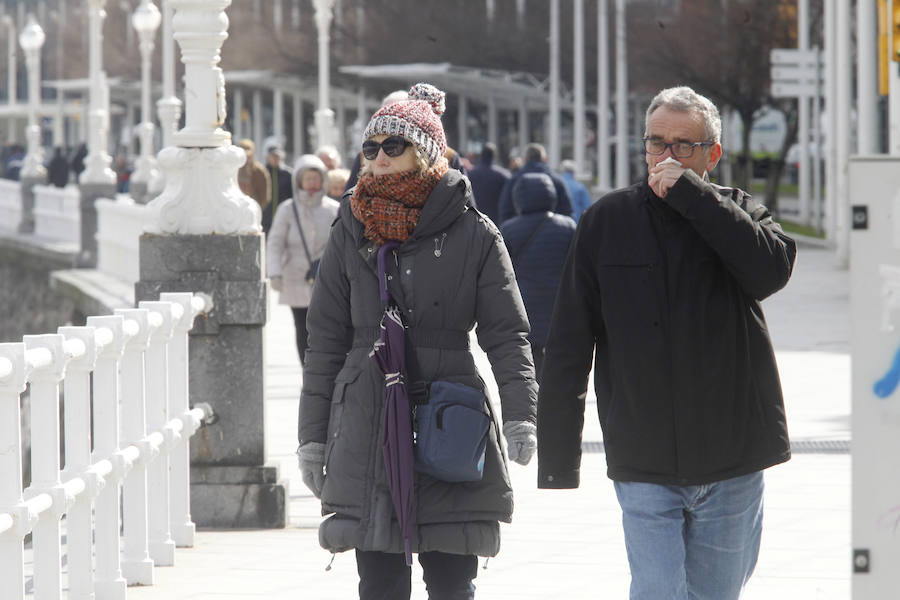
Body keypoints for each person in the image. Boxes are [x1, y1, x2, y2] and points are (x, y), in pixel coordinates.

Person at [536, 86, 797, 600]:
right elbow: (567, 342)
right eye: (657, 143)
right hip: (644, 455)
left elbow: (769, 270)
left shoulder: (741, 215)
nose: (666, 156)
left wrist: (693, 197)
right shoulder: (607, 221)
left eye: (682, 145)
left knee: (716, 594)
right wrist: (559, 457)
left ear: (712, 155)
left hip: (733, 458)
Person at [297, 83, 537, 600]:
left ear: (425, 150)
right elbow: (325, 342)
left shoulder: (475, 232)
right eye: (370, 148)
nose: (379, 159)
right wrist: (313, 436)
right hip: (367, 415)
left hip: (450, 412)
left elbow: (506, 332)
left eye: (393, 146)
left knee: (452, 582)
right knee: (379, 582)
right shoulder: (351, 228)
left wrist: (521, 414)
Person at [498, 173, 575, 383]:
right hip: (559, 308)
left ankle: (535, 406)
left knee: (529, 367)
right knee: (558, 367)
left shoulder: (509, 229)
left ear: (519, 198)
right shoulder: (567, 227)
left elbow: (501, 272)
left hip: (524, 307)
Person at [266, 154, 338, 366]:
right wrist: (275, 272)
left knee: (325, 324)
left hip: (325, 276)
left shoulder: (333, 209)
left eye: (316, 178)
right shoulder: (287, 209)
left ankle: (322, 365)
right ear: (299, 180)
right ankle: (306, 367)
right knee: (301, 324)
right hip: (295, 276)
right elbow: (276, 242)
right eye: (308, 179)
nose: (312, 184)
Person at [496, 143, 572, 224]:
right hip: (553, 232)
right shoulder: (557, 180)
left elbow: (505, 211)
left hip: (520, 232)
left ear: (525, 160)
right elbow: (567, 211)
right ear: (545, 159)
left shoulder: (513, 180)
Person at [467, 142, 510, 224]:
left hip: (476, 219)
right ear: (494, 156)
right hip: (496, 220)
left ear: (481, 155)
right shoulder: (503, 176)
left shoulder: (469, 175)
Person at [261, 143, 293, 234]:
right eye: (272, 156)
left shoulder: (288, 174)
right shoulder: (263, 172)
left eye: (277, 156)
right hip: (265, 217)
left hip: (283, 216)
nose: (275, 159)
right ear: (268, 157)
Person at [236, 138, 271, 212]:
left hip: (252, 209)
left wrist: (256, 207)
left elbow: (265, 197)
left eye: (248, 155)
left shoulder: (259, 171)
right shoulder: (233, 169)